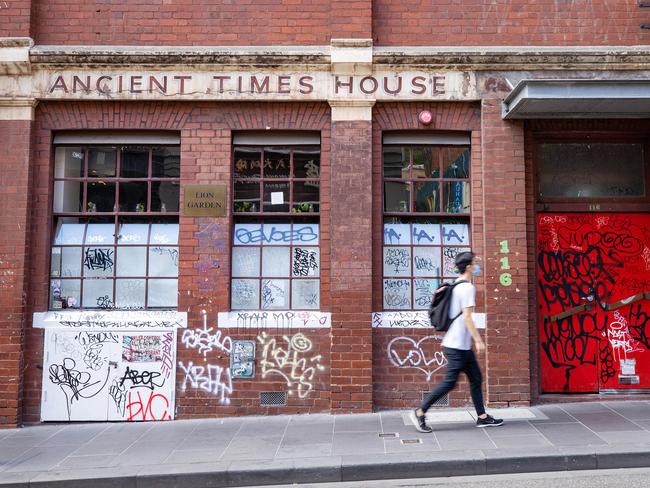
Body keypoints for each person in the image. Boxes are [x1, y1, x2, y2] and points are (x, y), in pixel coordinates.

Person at [410, 251, 503, 433]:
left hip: (461, 345)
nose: (478, 265)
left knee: (476, 378)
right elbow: (467, 317)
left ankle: (482, 417)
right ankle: (420, 411)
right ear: (468, 266)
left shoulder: (457, 284)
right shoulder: (467, 288)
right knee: (449, 383)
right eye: (475, 262)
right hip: (456, 345)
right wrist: (479, 340)